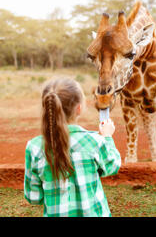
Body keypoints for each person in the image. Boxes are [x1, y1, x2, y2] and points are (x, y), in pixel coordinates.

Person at [24, 77, 121, 217]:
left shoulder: (34, 148)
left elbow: (34, 197)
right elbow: (113, 165)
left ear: (48, 108)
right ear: (79, 108)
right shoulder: (94, 142)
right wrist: (107, 137)